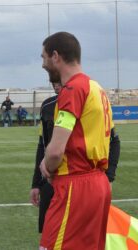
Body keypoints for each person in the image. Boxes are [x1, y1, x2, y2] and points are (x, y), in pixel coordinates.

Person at [39, 32, 113, 249]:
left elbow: (55, 151)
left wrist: (47, 164)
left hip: (76, 185)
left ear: (55, 56)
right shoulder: (96, 88)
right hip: (98, 183)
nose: (43, 65)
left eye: (43, 57)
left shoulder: (72, 89)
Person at [29, 81, 120, 234]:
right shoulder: (47, 107)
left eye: (58, 79)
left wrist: (109, 177)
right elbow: (42, 146)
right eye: (52, 80)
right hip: (51, 184)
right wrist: (36, 183)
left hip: (80, 184)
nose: (54, 83)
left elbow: (114, 141)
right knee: (49, 234)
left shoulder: (93, 100)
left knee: (82, 235)